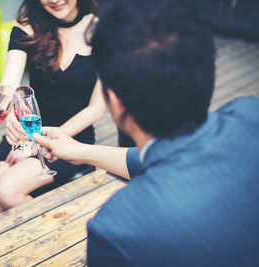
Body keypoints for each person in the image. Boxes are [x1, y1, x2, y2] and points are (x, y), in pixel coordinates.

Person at [34, 0, 259, 265]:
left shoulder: (118, 229)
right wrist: (80, 151)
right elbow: (176, 155)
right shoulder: (250, 114)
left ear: (115, 102)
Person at [0, 0, 107, 218]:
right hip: (27, 131)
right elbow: (8, 87)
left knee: (6, 190)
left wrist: (40, 144)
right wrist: (11, 116)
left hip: (71, 137)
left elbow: (96, 108)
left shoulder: (103, 30)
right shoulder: (27, 27)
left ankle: (61, 234)